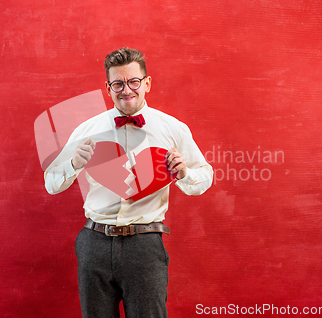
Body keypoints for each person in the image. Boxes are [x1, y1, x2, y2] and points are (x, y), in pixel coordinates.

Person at [44, 47, 213, 318]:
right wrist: (74, 163)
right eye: (118, 83)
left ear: (147, 83)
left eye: (133, 81)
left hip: (144, 245)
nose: (126, 90)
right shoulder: (87, 130)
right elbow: (51, 183)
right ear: (108, 87)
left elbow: (204, 176)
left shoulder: (172, 129)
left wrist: (184, 174)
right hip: (93, 243)